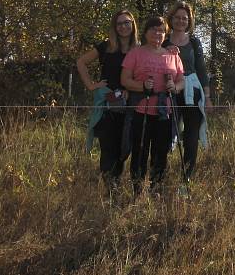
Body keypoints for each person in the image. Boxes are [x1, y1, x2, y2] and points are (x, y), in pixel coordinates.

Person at [120, 15, 185, 191]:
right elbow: (125, 79)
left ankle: (156, 187)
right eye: (154, 29)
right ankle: (137, 188)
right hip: (142, 109)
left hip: (165, 110)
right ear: (146, 32)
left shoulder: (172, 55)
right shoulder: (136, 53)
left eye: (162, 31)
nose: (158, 33)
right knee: (140, 149)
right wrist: (141, 86)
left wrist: (175, 87)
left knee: (161, 151)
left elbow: (181, 80)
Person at [77, 10, 137, 187]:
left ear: (133, 25)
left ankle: (116, 183)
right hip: (107, 103)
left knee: (124, 147)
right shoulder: (105, 46)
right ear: (114, 26)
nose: (123, 26)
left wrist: (130, 89)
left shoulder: (139, 48)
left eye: (127, 22)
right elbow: (81, 62)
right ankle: (110, 189)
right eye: (119, 23)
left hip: (129, 104)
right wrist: (91, 85)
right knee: (108, 146)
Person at [163, 1, 211, 178]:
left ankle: (187, 176)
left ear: (189, 21)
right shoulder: (163, 40)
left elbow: (202, 69)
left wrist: (207, 96)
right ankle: (161, 173)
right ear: (171, 19)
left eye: (185, 18)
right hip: (168, 91)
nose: (181, 21)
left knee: (191, 136)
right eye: (177, 17)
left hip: (193, 92)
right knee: (167, 132)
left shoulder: (194, 42)